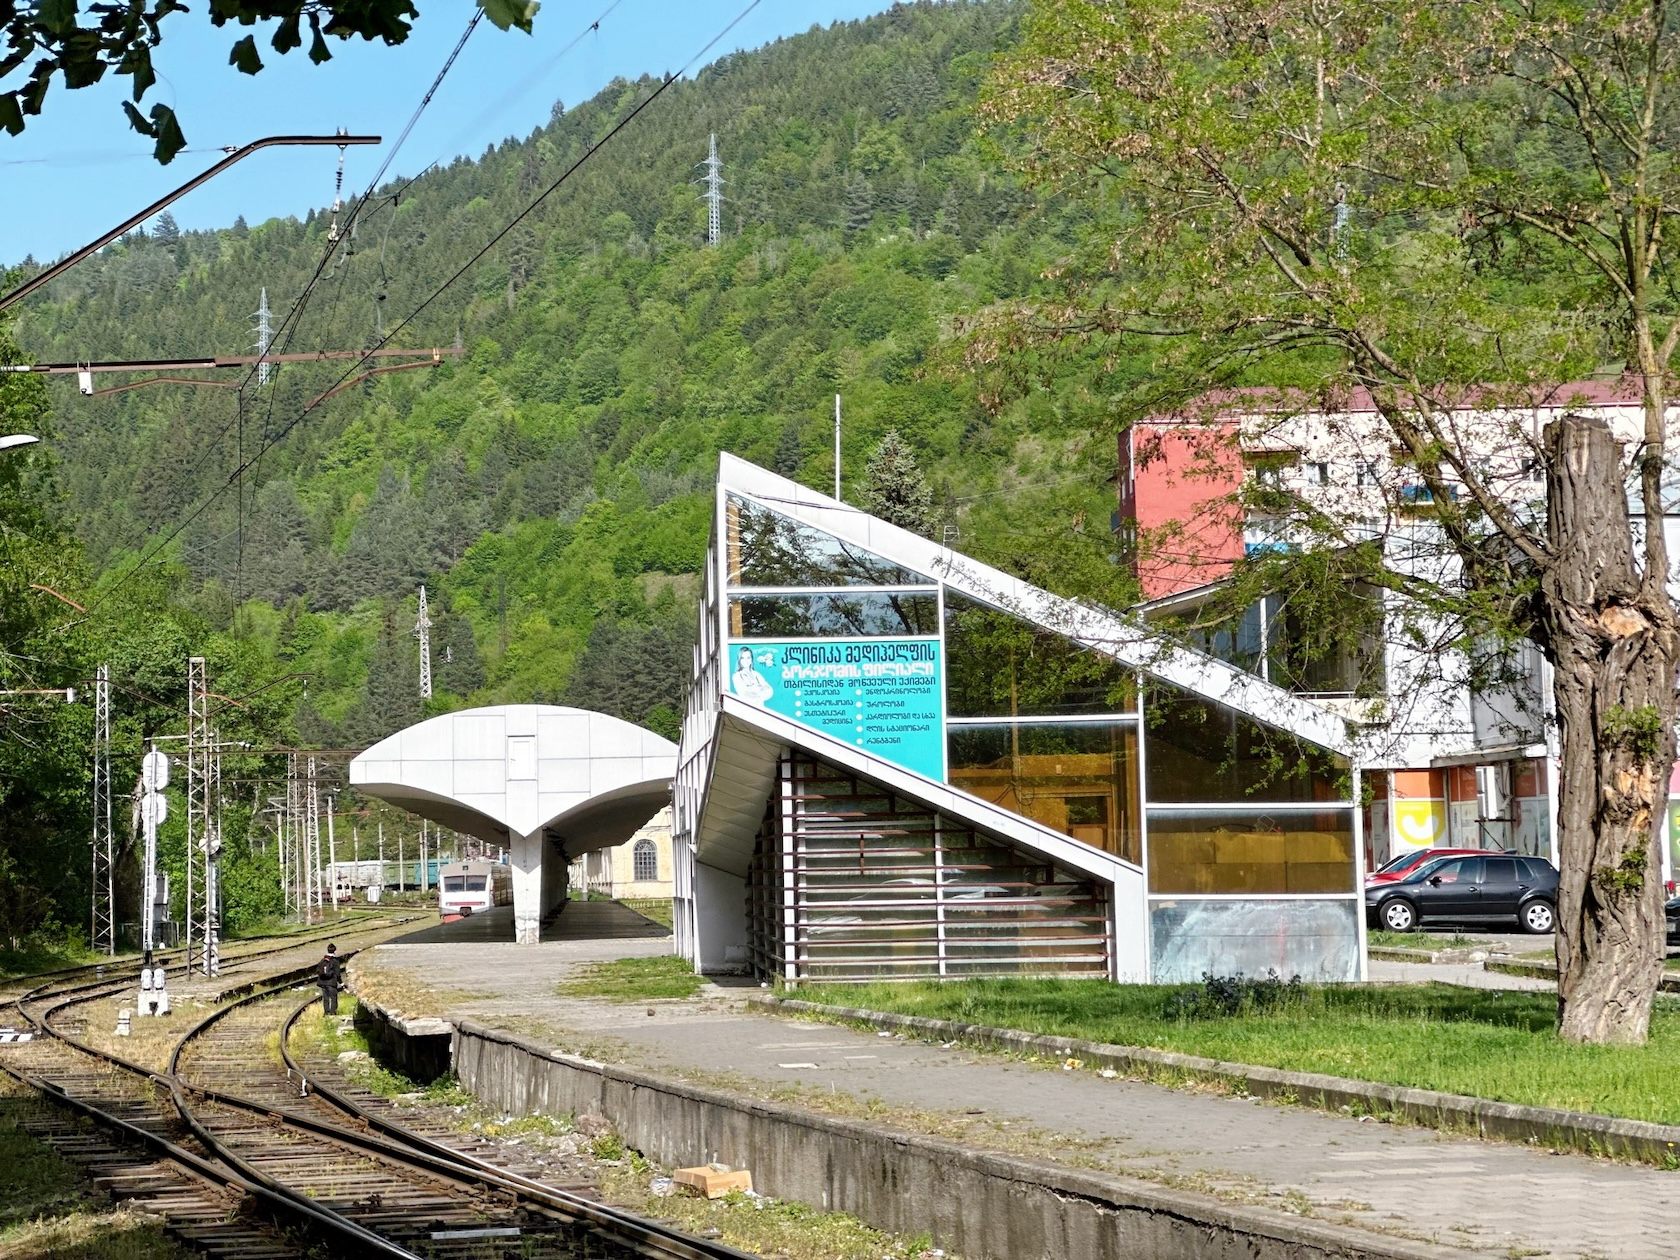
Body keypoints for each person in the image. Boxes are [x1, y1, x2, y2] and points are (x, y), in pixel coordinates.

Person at [318, 943, 341, 1015]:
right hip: (331, 983)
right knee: (333, 998)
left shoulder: (322, 960)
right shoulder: (335, 961)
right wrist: (341, 983)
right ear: (334, 951)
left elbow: (318, 970)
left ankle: (326, 1013)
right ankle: (332, 1013)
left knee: (326, 999)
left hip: (322, 983)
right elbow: (338, 974)